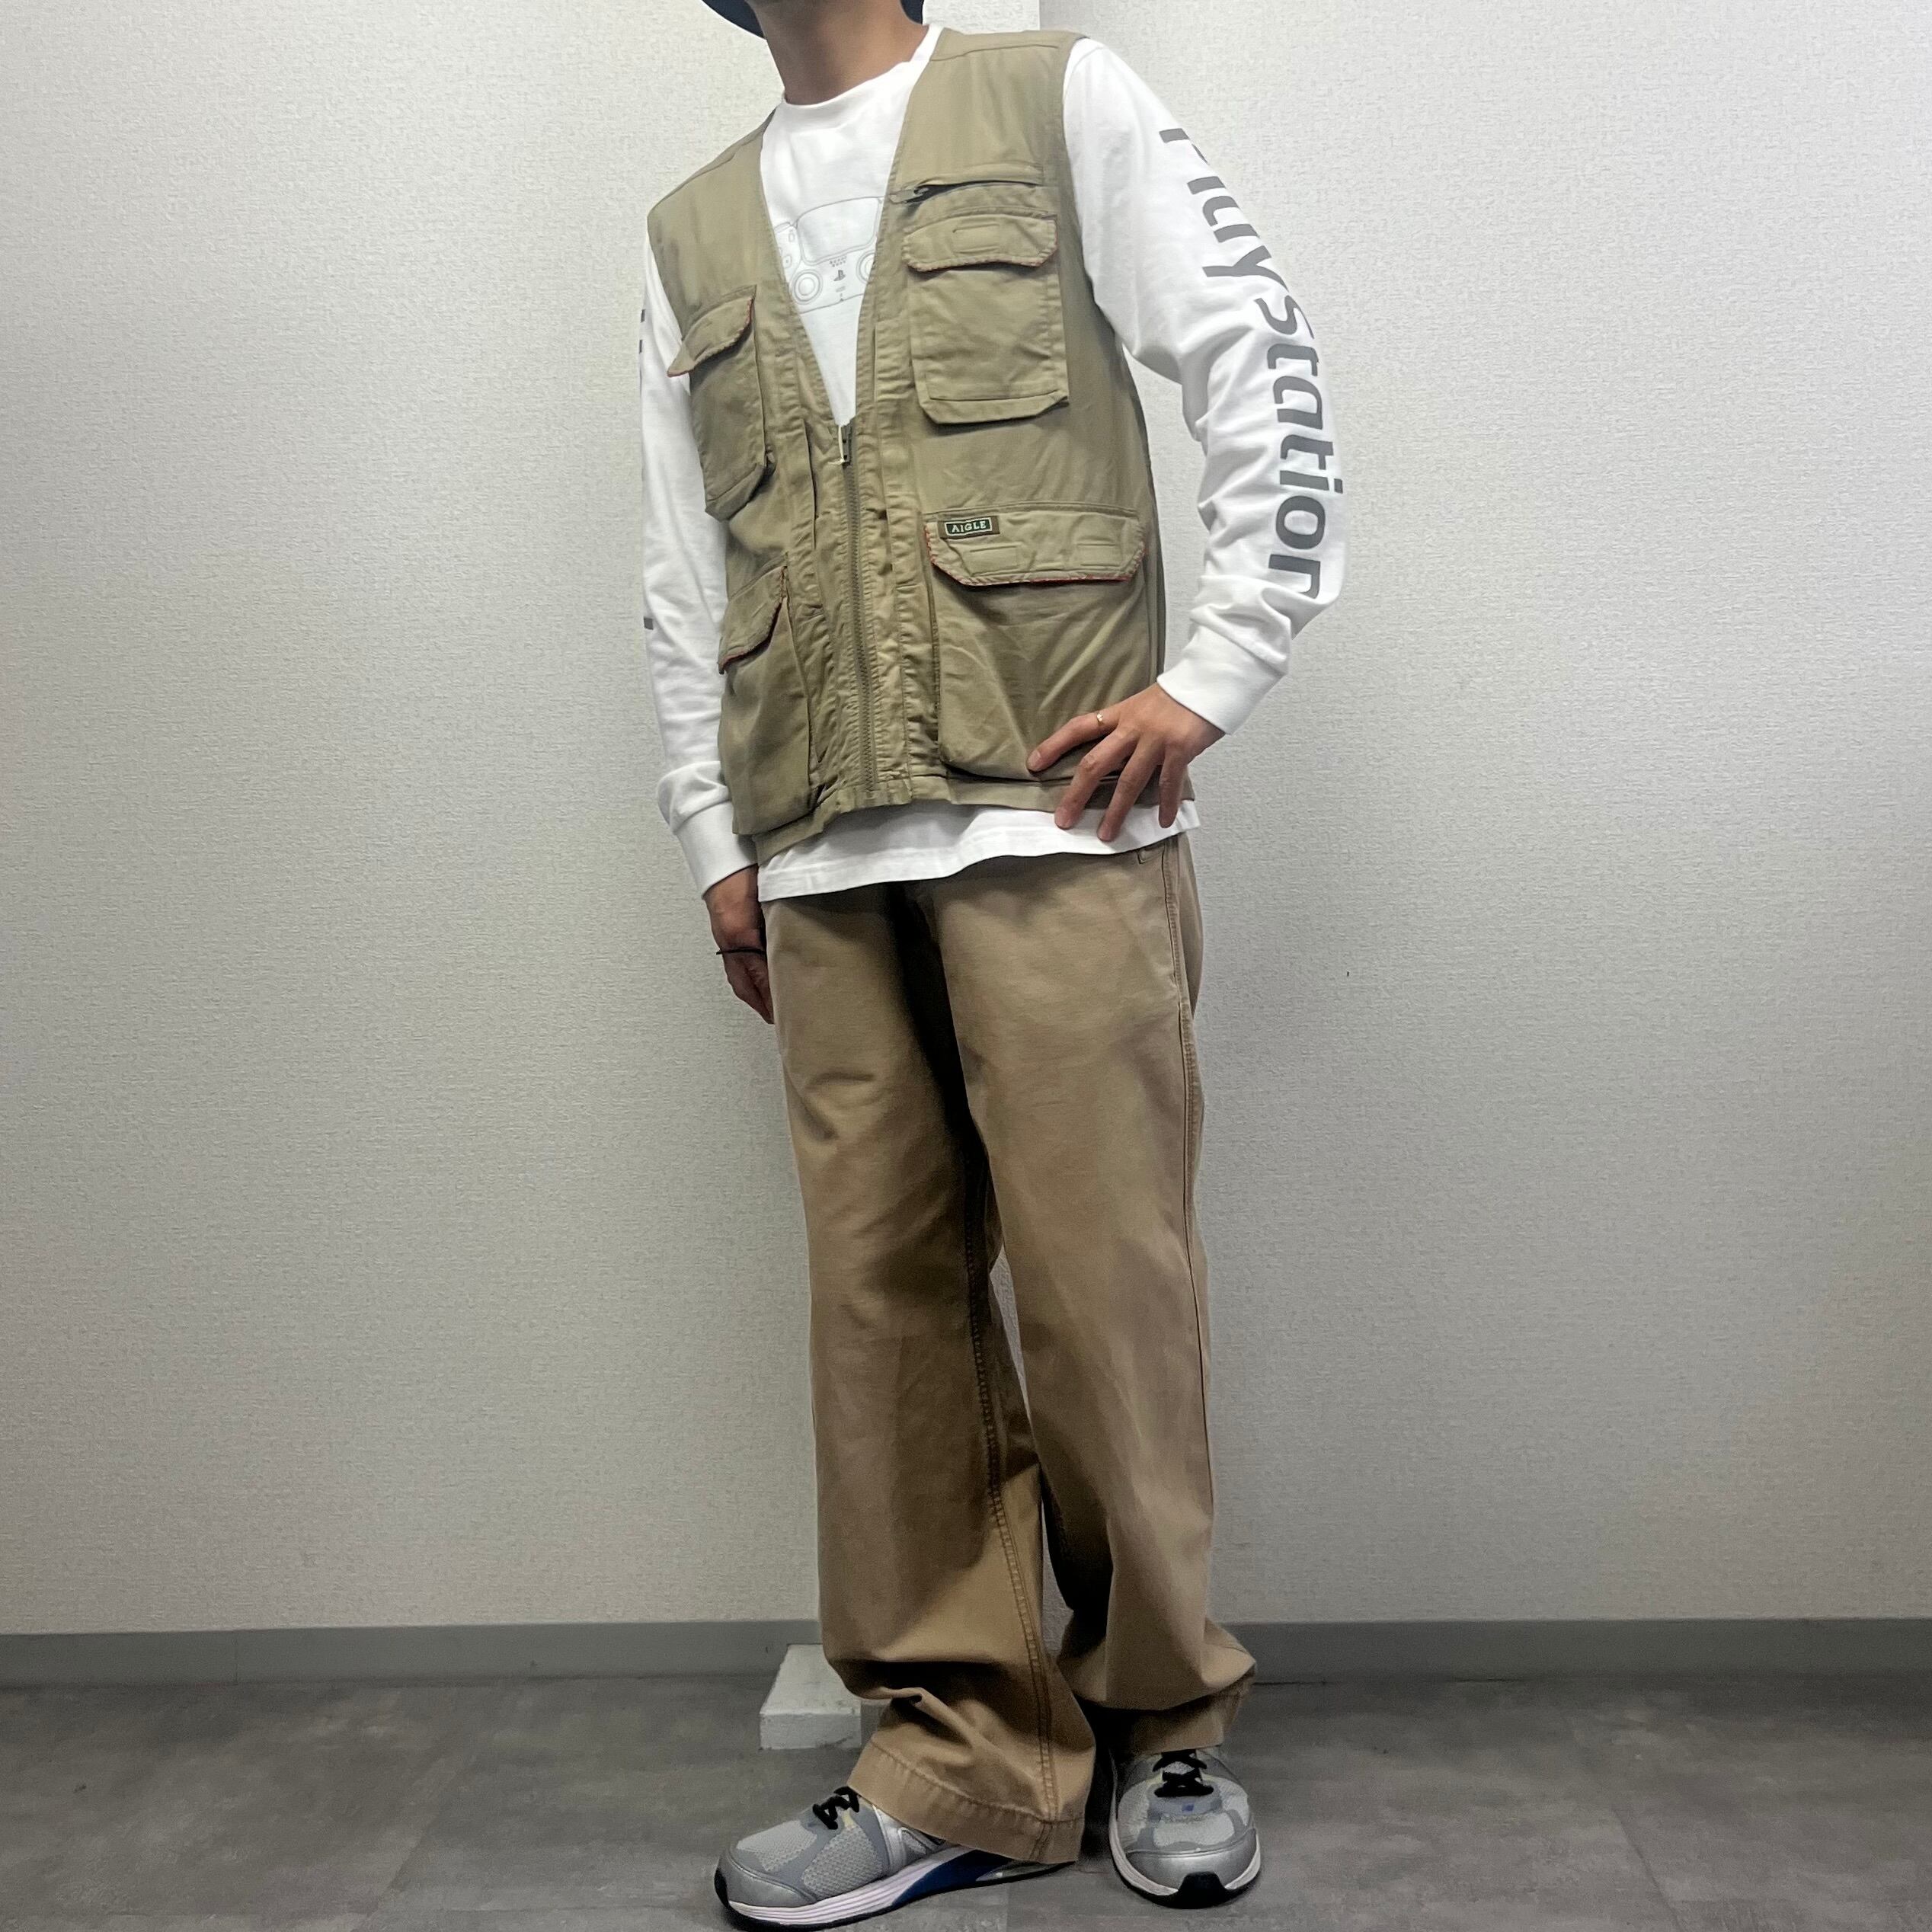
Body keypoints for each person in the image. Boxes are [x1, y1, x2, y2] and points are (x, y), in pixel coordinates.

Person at [638, 0, 1344, 1921]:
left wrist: (1216, 671)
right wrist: (713, 833)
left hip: (1054, 820)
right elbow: (682, 560)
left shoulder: (1052, 94)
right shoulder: (690, 226)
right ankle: (952, 1750)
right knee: (880, 1315)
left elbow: (1253, 352)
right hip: (815, 847)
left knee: (1107, 1291)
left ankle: (1161, 1718)